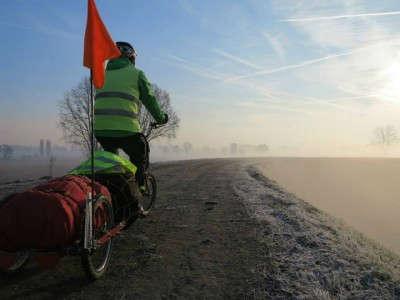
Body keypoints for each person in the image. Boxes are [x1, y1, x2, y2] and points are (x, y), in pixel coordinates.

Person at [94, 41, 168, 215]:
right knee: (140, 151)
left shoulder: (100, 75)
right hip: (126, 130)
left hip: (101, 131)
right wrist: (161, 118)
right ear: (131, 57)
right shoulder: (136, 74)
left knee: (112, 164)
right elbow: (149, 99)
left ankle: (111, 192)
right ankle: (140, 185)